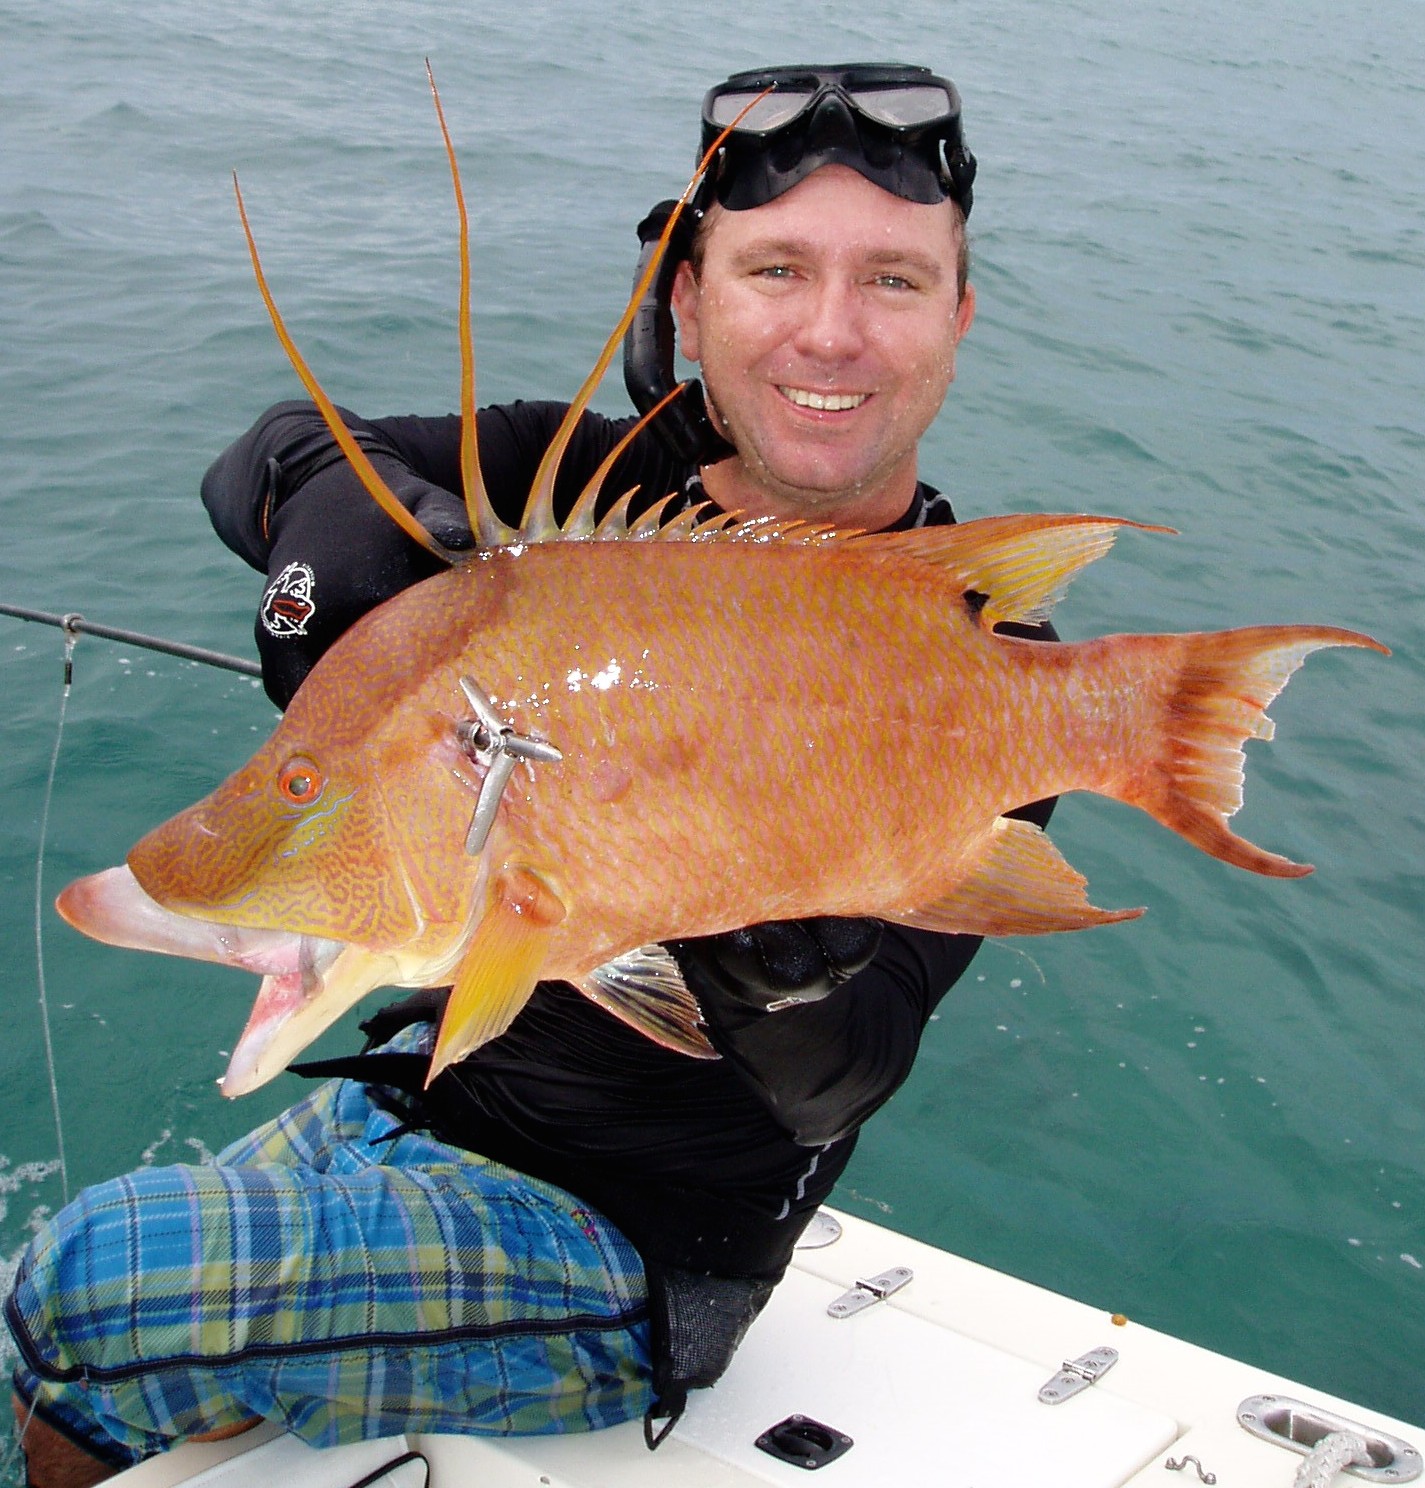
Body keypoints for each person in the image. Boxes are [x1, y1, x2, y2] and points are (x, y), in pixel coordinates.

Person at [7, 63, 1052, 1486]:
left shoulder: (971, 655)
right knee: (67, 1372)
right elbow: (263, 453)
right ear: (685, 303)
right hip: (416, 1092)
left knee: (92, 1278)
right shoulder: (561, 496)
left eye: (892, 280)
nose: (830, 330)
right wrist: (341, 537)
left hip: (627, 1249)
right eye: (773, 269)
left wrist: (770, 960)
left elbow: (841, 1079)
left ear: (958, 318)